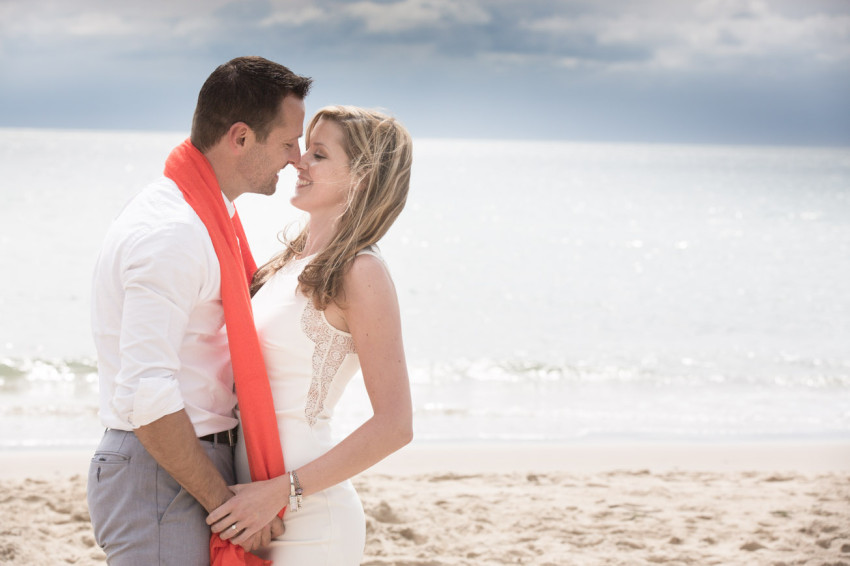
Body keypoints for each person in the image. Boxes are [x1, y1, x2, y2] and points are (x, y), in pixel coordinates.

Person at [86, 56, 312, 565]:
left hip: (179, 462)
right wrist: (226, 507)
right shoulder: (174, 234)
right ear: (240, 137)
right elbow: (147, 395)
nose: (296, 159)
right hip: (162, 469)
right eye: (287, 143)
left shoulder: (202, 215)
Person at [205, 105, 415, 564]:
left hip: (312, 520)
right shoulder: (284, 265)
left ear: (361, 178)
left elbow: (395, 425)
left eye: (318, 154)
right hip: (253, 508)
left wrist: (280, 492)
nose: (298, 161)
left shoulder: (361, 272)